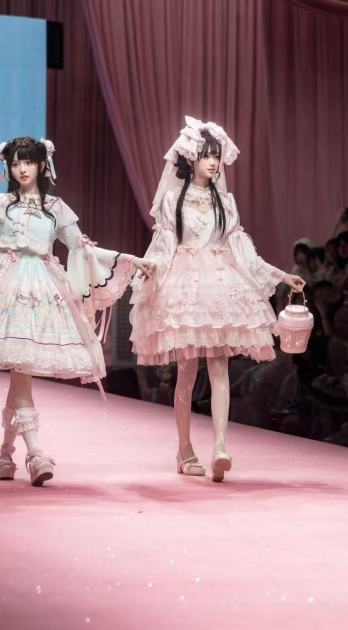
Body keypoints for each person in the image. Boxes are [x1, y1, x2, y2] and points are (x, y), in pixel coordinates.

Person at [0, 136, 153, 486]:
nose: (21, 169)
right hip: (4, 287)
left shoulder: (56, 208)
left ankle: (6, 453)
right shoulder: (1, 204)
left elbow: (82, 248)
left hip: (44, 289)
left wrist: (130, 259)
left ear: (42, 165)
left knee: (22, 372)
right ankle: (34, 453)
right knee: (21, 372)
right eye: (15, 163)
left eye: (28, 162)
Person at [130, 117, 304, 483]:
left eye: (216, 156)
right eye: (206, 155)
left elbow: (243, 252)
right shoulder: (173, 200)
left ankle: (220, 447)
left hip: (221, 285)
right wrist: (151, 269)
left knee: (220, 365)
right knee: (187, 370)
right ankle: (184, 449)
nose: (213, 162)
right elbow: (164, 246)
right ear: (191, 158)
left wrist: (281, 275)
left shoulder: (225, 202)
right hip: (185, 286)